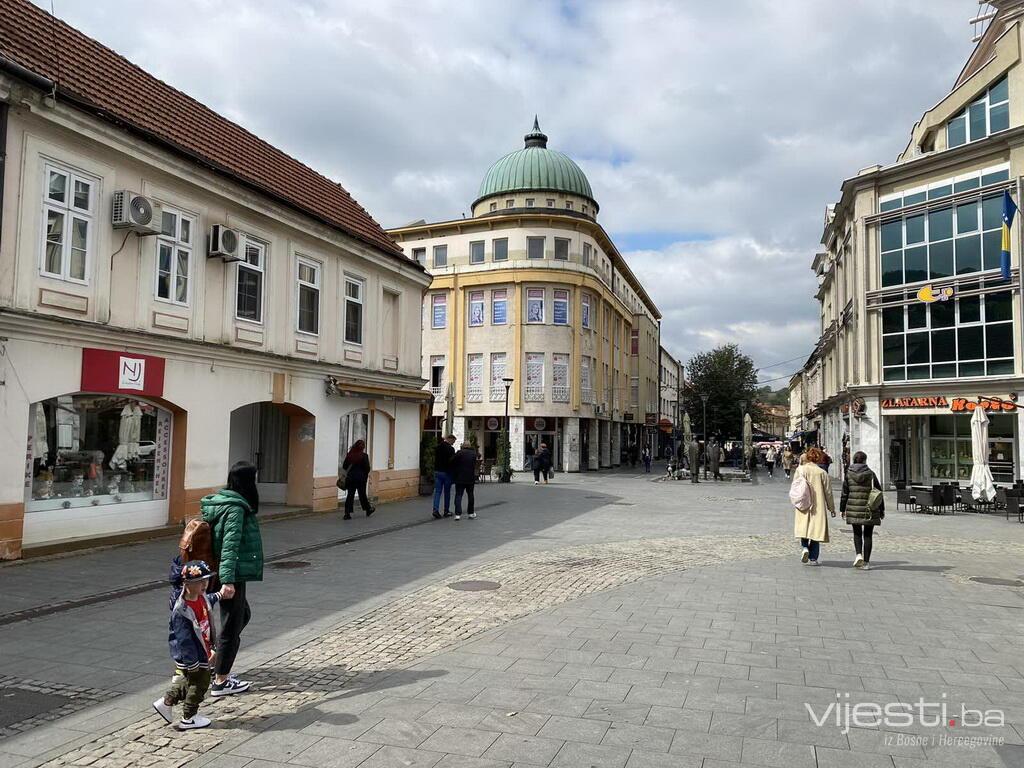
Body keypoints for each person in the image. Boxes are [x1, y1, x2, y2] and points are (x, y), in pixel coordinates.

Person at [200, 461, 264, 697]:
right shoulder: (236, 508)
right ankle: (220, 680)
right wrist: (228, 582)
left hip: (221, 572)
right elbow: (229, 547)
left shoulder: (222, 502)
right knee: (231, 626)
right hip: (231, 574)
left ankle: (215, 658)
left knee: (242, 615)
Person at [153, 560, 225, 730]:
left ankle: (167, 701)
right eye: (200, 582)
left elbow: (210, 599)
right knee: (200, 683)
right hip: (192, 656)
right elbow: (184, 640)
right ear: (187, 584)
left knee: (190, 681)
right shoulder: (181, 610)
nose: (205, 585)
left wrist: (221, 594)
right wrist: (192, 662)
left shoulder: (201, 598)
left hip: (203, 649)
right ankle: (189, 716)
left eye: (206, 581)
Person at [840, 451, 883, 570]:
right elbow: (879, 493)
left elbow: (845, 493)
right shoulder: (871, 474)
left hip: (854, 508)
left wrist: (842, 509)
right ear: (865, 461)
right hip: (870, 509)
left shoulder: (848, 474)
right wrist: (882, 510)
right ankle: (867, 562)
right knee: (868, 535)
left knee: (857, 533)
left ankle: (858, 554)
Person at [793, 447, 835, 565]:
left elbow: (795, 487)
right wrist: (831, 508)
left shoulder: (800, 470)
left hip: (803, 503)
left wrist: (796, 501)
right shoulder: (822, 473)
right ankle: (813, 558)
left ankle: (805, 547)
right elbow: (828, 492)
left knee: (804, 527)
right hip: (818, 504)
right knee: (816, 530)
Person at [341, 439, 375, 519]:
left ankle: (347, 513)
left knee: (350, 495)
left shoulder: (350, 455)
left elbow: (344, 466)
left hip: (351, 478)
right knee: (362, 495)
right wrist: (364, 474)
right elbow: (367, 468)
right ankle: (368, 509)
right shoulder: (364, 456)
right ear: (363, 447)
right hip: (361, 479)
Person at [450, 441, 478, 520]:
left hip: (460, 478)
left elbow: (451, 461)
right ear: (469, 446)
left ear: (463, 446)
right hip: (470, 478)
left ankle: (458, 514)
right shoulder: (473, 454)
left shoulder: (459, 453)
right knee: (470, 495)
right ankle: (471, 513)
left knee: (458, 495)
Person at [432, 435, 456, 519]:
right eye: (453, 441)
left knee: (437, 492)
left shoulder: (438, 447)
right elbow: (453, 462)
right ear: (450, 439)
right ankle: (446, 511)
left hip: (438, 471)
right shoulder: (451, 449)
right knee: (447, 492)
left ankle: (435, 509)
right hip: (447, 473)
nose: (453, 443)